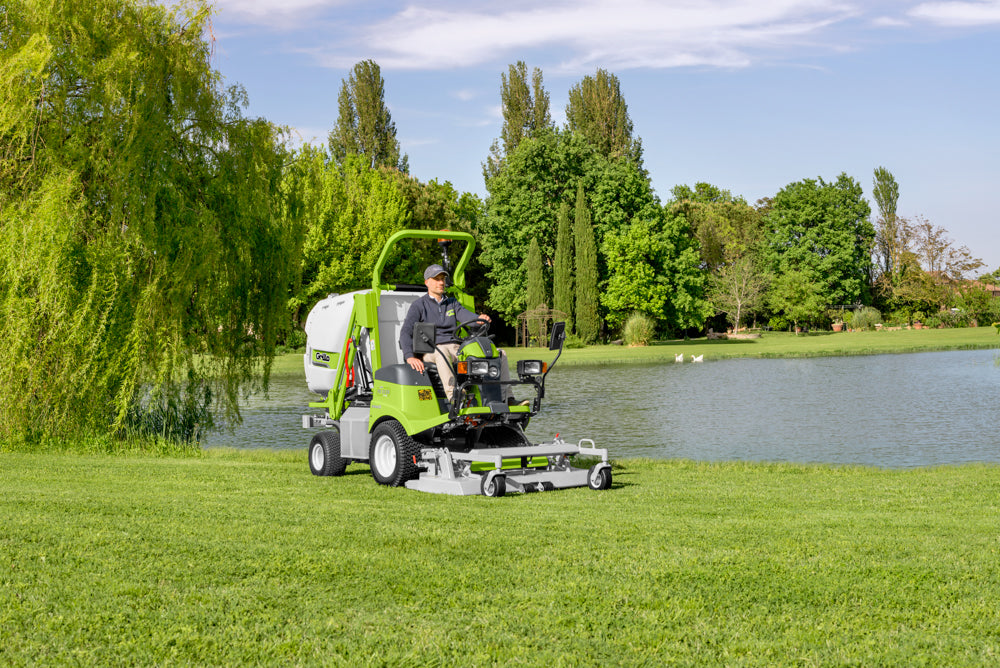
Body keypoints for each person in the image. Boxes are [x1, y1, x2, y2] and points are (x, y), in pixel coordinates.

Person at [399, 264, 513, 404]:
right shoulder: (419, 305)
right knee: (442, 351)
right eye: (437, 279)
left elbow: (469, 318)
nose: (441, 282)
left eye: (443, 279)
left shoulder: (452, 303)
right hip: (431, 350)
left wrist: (480, 320)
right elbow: (405, 332)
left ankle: (507, 398)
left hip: (455, 348)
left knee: (499, 354)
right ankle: (454, 396)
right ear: (427, 282)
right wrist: (410, 357)